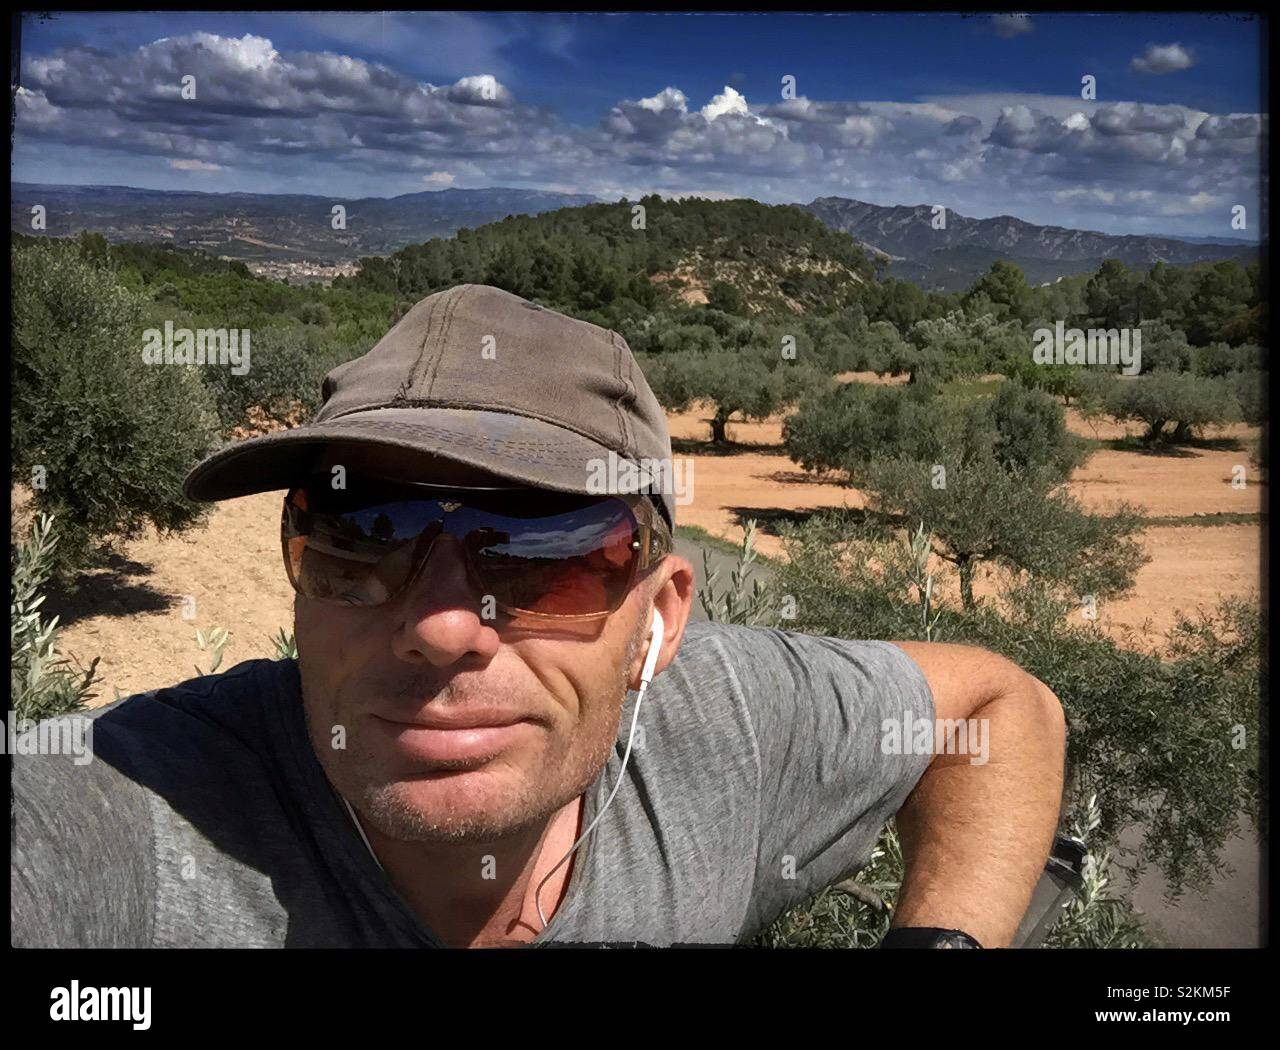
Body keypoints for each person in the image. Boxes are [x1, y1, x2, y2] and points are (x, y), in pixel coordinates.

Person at [11, 284, 1066, 949]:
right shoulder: (130, 811)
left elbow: (998, 708)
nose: (440, 626)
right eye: (359, 537)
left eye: (538, 554)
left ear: (658, 621)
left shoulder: (729, 731)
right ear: (296, 569)